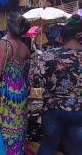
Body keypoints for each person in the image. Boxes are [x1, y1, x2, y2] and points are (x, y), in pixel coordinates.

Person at [29, 16, 82, 154]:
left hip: (53, 109)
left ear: (62, 37)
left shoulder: (49, 55)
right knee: (76, 149)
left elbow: (35, 81)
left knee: (48, 145)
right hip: (79, 110)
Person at [0, 13, 31, 154]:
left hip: (5, 90)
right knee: (17, 125)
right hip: (20, 91)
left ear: (7, 27)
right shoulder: (25, 48)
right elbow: (25, 73)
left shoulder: (4, 45)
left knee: (2, 124)